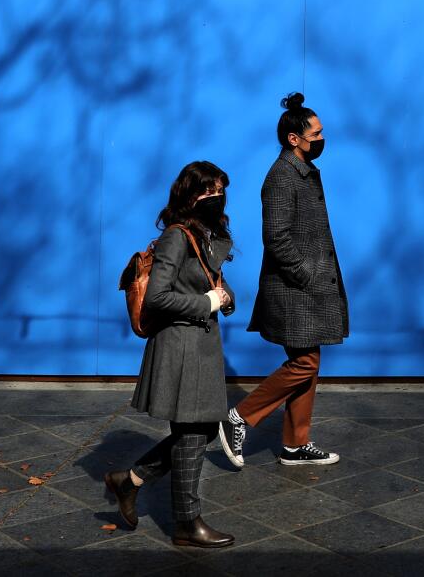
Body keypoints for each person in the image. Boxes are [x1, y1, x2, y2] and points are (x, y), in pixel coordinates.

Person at [105, 161, 238, 548]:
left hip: (198, 347)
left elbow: (205, 277)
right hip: (182, 349)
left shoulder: (204, 233)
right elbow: (160, 296)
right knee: (195, 433)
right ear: (188, 195)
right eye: (208, 191)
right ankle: (187, 523)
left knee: (198, 432)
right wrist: (206, 302)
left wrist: (225, 297)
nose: (216, 197)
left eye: (220, 190)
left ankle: (127, 482)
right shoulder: (177, 236)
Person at [218, 91, 349, 469]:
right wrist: (306, 275)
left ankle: (295, 444)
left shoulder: (303, 172)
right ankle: (239, 417)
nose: (322, 139)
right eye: (316, 134)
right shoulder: (281, 177)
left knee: (309, 360)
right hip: (294, 290)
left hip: (307, 289)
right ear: (295, 139)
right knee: (305, 363)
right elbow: (276, 239)